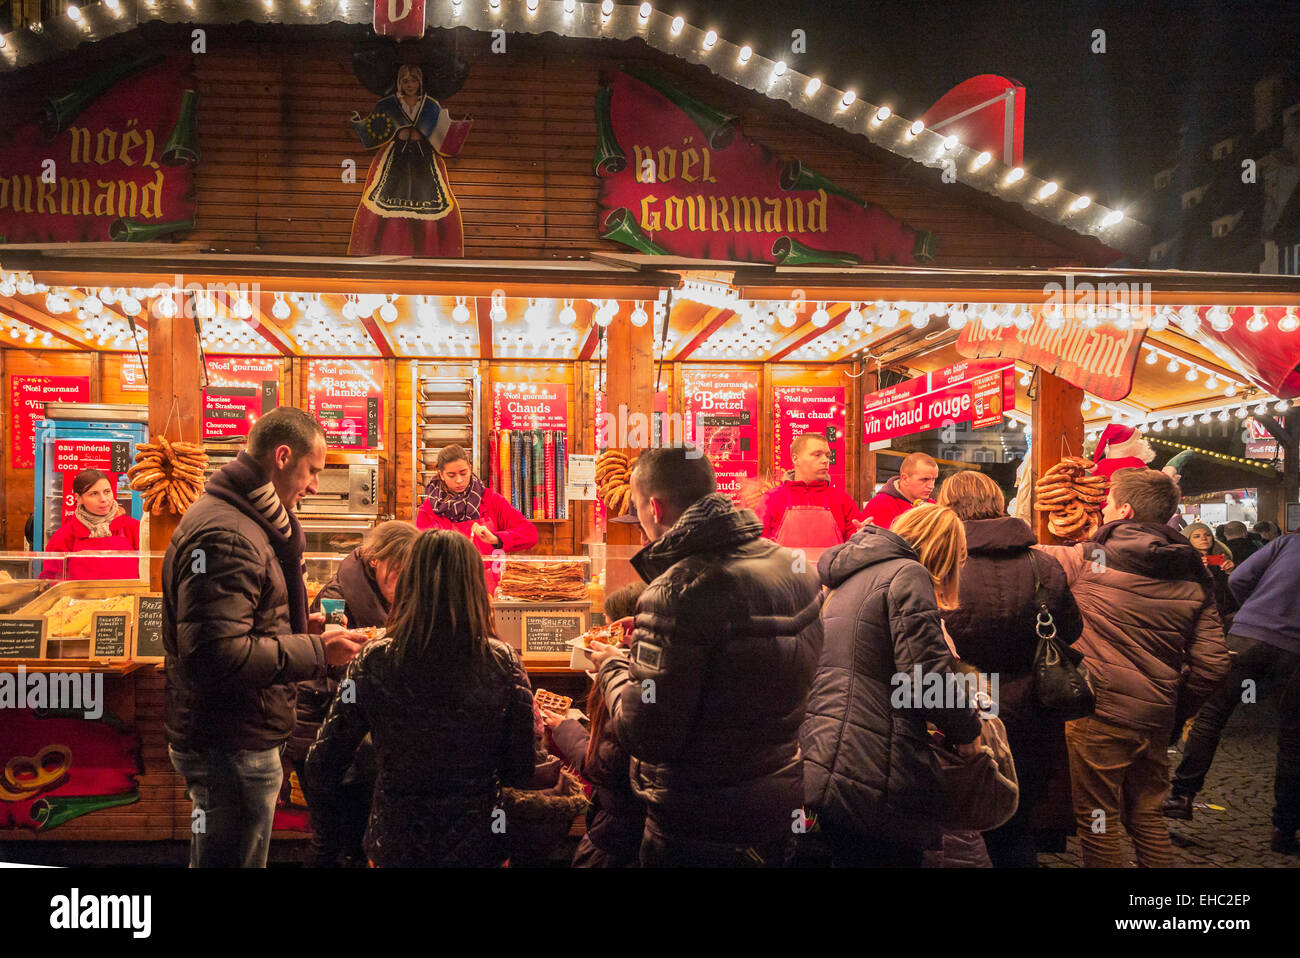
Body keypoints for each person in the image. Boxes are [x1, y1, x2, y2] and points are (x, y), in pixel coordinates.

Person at [588, 446, 822, 867]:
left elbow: (647, 735)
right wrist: (653, 639)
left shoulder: (676, 590)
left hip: (699, 823)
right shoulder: (791, 564)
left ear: (654, 508)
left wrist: (612, 665)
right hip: (780, 801)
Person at [163, 407, 367, 868]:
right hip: (231, 739)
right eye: (312, 470)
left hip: (233, 732)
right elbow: (214, 655)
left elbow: (232, 626)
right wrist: (316, 650)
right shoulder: (227, 533)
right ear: (281, 456)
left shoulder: (242, 519)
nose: (315, 485)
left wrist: (299, 626)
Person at [1035, 468, 1230, 868]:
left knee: (1099, 819)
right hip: (1155, 717)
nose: (1102, 512)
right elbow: (1212, 665)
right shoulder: (1196, 575)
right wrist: (1176, 709)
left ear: (1123, 510)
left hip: (1099, 713)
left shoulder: (1090, 559)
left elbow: (1027, 559)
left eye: (1106, 505)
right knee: (1146, 816)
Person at [306, 530, 536, 867]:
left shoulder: (374, 659)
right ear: (474, 587)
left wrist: (345, 827)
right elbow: (521, 769)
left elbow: (323, 761)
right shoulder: (503, 662)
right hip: (481, 842)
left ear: (411, 581)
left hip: (396, 840)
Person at [802, 503, 985, 867]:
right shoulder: (908, 573)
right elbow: (926, 677)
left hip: (828, 750)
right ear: (944, 553)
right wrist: (967, 732)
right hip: (876, 761)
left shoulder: (851, 577)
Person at [936, 471, 1084, 868]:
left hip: (962, 708)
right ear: (998, 504)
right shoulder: (1044, 563)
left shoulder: (940, 562)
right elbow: (1071, 629)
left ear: (949, 508)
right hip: (1032, 704)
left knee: (962, 818)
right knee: (1017, 820)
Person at [290, 520, 418, 868]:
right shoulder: (336, 598)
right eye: (397, 569)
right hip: (319, 730)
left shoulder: (381, 596)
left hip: (350, 733)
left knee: (356, 837)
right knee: (330, 837)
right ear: (376, 559)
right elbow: (332, 667)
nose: (402, 580)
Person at [1166, 530, 1300, 852]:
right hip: (1295, 651)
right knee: (1294, 740)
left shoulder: (1290, 541)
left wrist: (1254, 609)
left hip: (1247, 635)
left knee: (1211, 717)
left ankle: (1182, 796)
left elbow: (1239, 578)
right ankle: (1284, 828)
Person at [540, 582, 648, 868]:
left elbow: (602, 766)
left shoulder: (629, 685)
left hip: (618, 837)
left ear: (624, 635)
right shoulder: (657, 674)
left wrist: (565, 728)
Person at [348, 63, 472, 256]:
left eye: (413, 80)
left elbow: (442, 131)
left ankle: (429, 250)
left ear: (419, 82)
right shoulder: (390, 104)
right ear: (399, 83)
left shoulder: (429, 105)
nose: (409, 84)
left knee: (431, 205)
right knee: (383, 202)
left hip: (424, 160)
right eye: (405, 81)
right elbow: (375, 128)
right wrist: (360, 123)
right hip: (395, 159)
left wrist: (461, 126)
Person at [416, 444, 538, 591]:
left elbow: (530, 533)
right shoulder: (428, 510)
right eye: (451, 475)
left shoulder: (491, 500)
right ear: (441, 474)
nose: (459, 480)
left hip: (491, 590)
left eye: (463, 472)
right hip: (449, 590)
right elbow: (423, 555)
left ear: (470, 469)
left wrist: (496, 539)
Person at [761, 433, 865, 548]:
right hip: (783, 566)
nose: (825, 460)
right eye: (817, 455)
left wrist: (862, 537)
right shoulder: (772, 498)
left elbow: (854, 548)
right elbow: (758, 546)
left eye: (827, 456)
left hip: (830, 566)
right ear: (796, 459)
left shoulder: (842, 499)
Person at [41, 468, 141, 580]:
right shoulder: (64, 536)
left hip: (128, 596)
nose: (103, 499)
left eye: (107, 491)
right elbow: (52, 578)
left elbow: (149, 569)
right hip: (80, 597)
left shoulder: (132, 527)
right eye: (94, 494)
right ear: (78, 498)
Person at [862, 451, 938, 529]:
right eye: (924, 479)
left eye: (934, 479)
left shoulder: (934, 507)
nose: (931, 486)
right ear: (905, 479)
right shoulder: (879, 504)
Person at [1184, 522, 1238, 626]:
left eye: (1207, 535)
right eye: (1197, 536)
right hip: (1198, 617)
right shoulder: (1184, 560)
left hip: (1224, 614)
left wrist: (1230, 572)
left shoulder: (1223, 557)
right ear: (1188, 539)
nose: (1203, 538)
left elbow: (1232, 591)